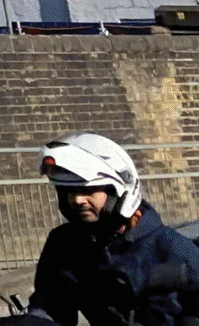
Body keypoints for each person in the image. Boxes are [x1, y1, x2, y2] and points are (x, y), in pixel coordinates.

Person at [28, 134, 199, 326]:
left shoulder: (173, 250)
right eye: (70, 191)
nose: (77, 200)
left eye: (88, 191)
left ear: (117, 191)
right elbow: (50, 305)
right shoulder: (64, 245)